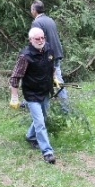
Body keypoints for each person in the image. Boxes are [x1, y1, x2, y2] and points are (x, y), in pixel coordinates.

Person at [9, 27, 57, 164]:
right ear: (30, 40)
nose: (41, 40)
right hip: (31, 94)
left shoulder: (48, 49)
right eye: (37, 38)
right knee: (40, 123)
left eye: (42, 38)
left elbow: (51, 67)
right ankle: (47, 152)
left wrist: (54, 78)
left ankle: (30, 136)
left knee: (42, 118)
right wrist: (14, 97)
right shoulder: (25, 56)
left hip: (45, 91)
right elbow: (15, 77)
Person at [30, 0, 69, 112]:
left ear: (34, 10)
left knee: (54, 79)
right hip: (56, 52)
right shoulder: (49, 20)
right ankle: (34, 103)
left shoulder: (37, 23)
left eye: (31, 9)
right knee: (52, 79)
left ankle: (65, 108)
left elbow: (37, 41)